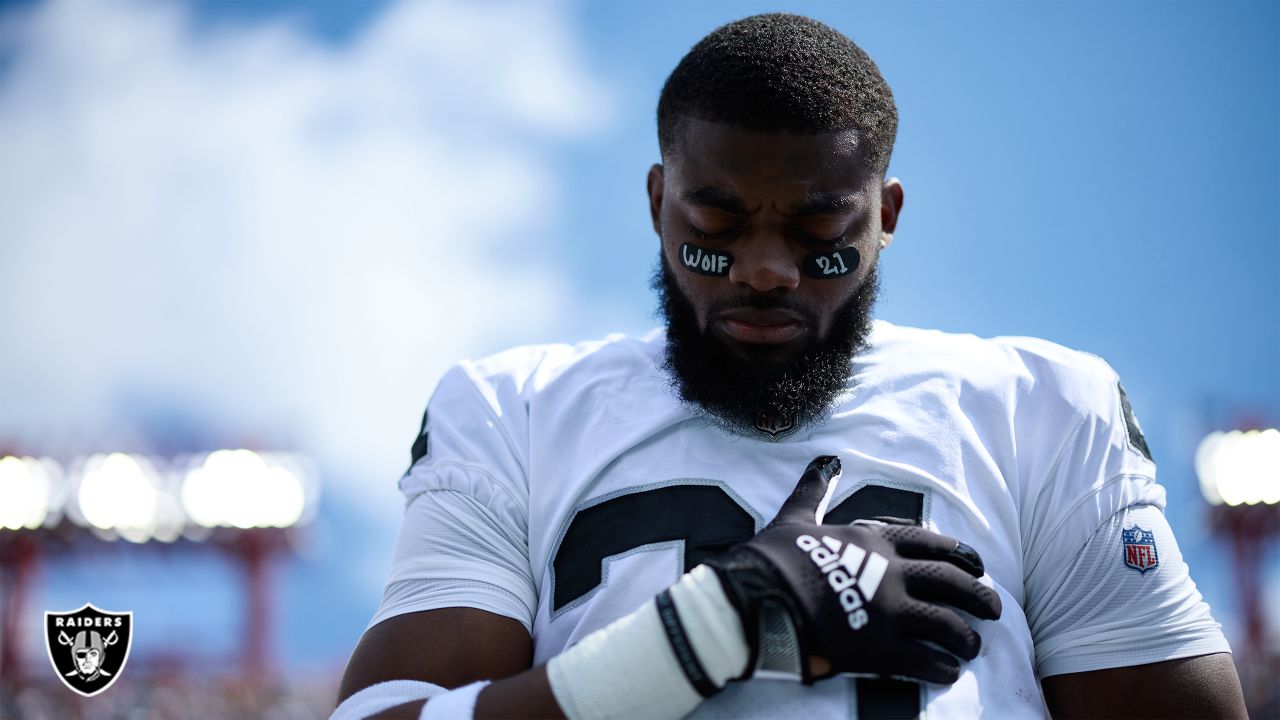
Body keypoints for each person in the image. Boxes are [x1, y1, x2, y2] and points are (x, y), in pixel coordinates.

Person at [335, 13, 1246, 720]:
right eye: (716, 224)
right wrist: (716, 626)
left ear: (884, 216)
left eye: (819, 232)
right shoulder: (512, 412)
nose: (764, 268)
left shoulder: (1041, 412)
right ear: (659, 202)